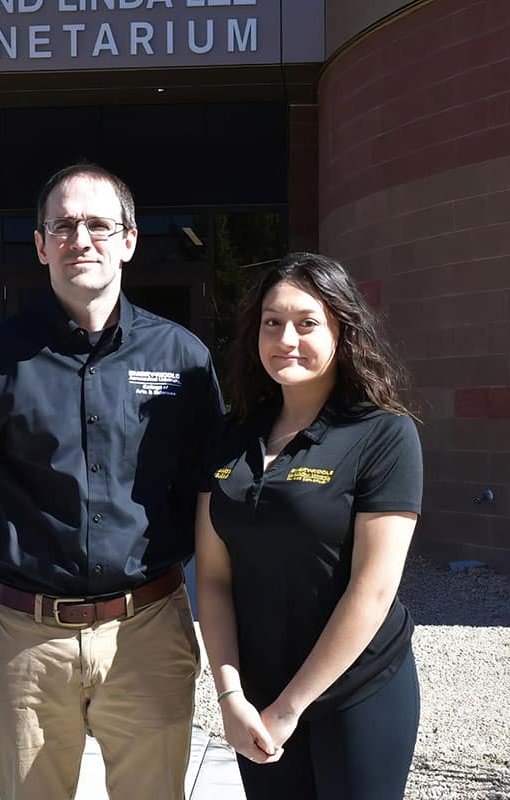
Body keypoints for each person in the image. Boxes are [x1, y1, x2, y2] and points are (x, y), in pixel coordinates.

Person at [0, 163, 224, 800]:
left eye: (99, 224)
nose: (82, 238)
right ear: (41, 244)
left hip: (148, 630)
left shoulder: (182, 357)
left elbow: (200, 488)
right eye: (64, 225)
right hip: (26, 639)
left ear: (128, 240)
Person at [195, 252, 423, 799]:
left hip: (357, 693)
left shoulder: (384, 434)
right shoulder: (231, 437)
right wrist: (230, 697)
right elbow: (213, 579)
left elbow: (374, 589)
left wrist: (290, 709)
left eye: (307, 322)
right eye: (272, 322)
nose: (286, 339)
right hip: (257, 698)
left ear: (343, 330)